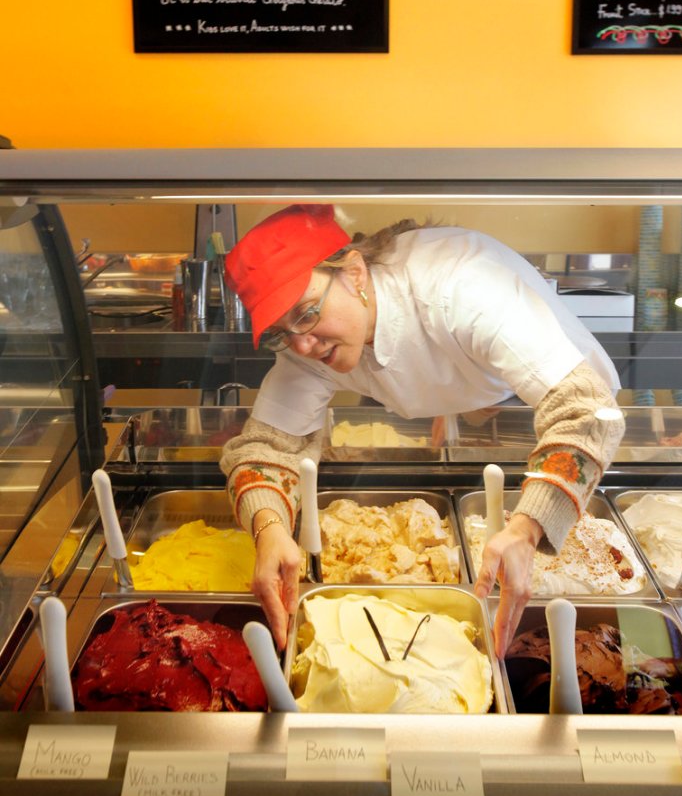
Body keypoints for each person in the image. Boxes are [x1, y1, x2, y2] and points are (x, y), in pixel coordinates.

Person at [220, 204, 625, 656]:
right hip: (469, 388)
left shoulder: (462, 288)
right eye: (280, 332)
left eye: (307, 314)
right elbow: (265, 447)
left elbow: (585, 410)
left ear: (355, 273)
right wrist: (269, 527)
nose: (300, 344)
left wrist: (528, 529)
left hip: (543, 408)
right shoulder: (307, 342)